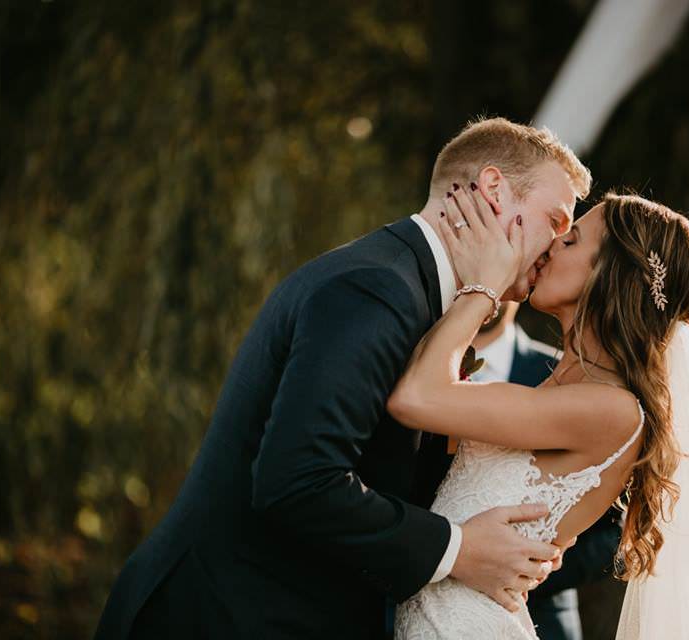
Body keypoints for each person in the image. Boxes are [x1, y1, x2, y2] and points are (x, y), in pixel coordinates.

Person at [92, 117, 592, 640]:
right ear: (493, 191)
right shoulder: (376, 290)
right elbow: (298, 480)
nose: (557, 246)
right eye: (554, 220)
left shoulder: (412, 291)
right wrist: (459, 549)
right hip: (217, 616)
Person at [391, 189, 689, 638]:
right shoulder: (566, 387)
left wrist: (487, 284)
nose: (551, 245)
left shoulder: (612, 409)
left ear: (610, 276)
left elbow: (414, 398)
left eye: (571, 241)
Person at [468, 302, 622, 640]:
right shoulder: (417, 367)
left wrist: (527, 566)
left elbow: (614, 531)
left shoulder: (567, 377)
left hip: (538, 620)